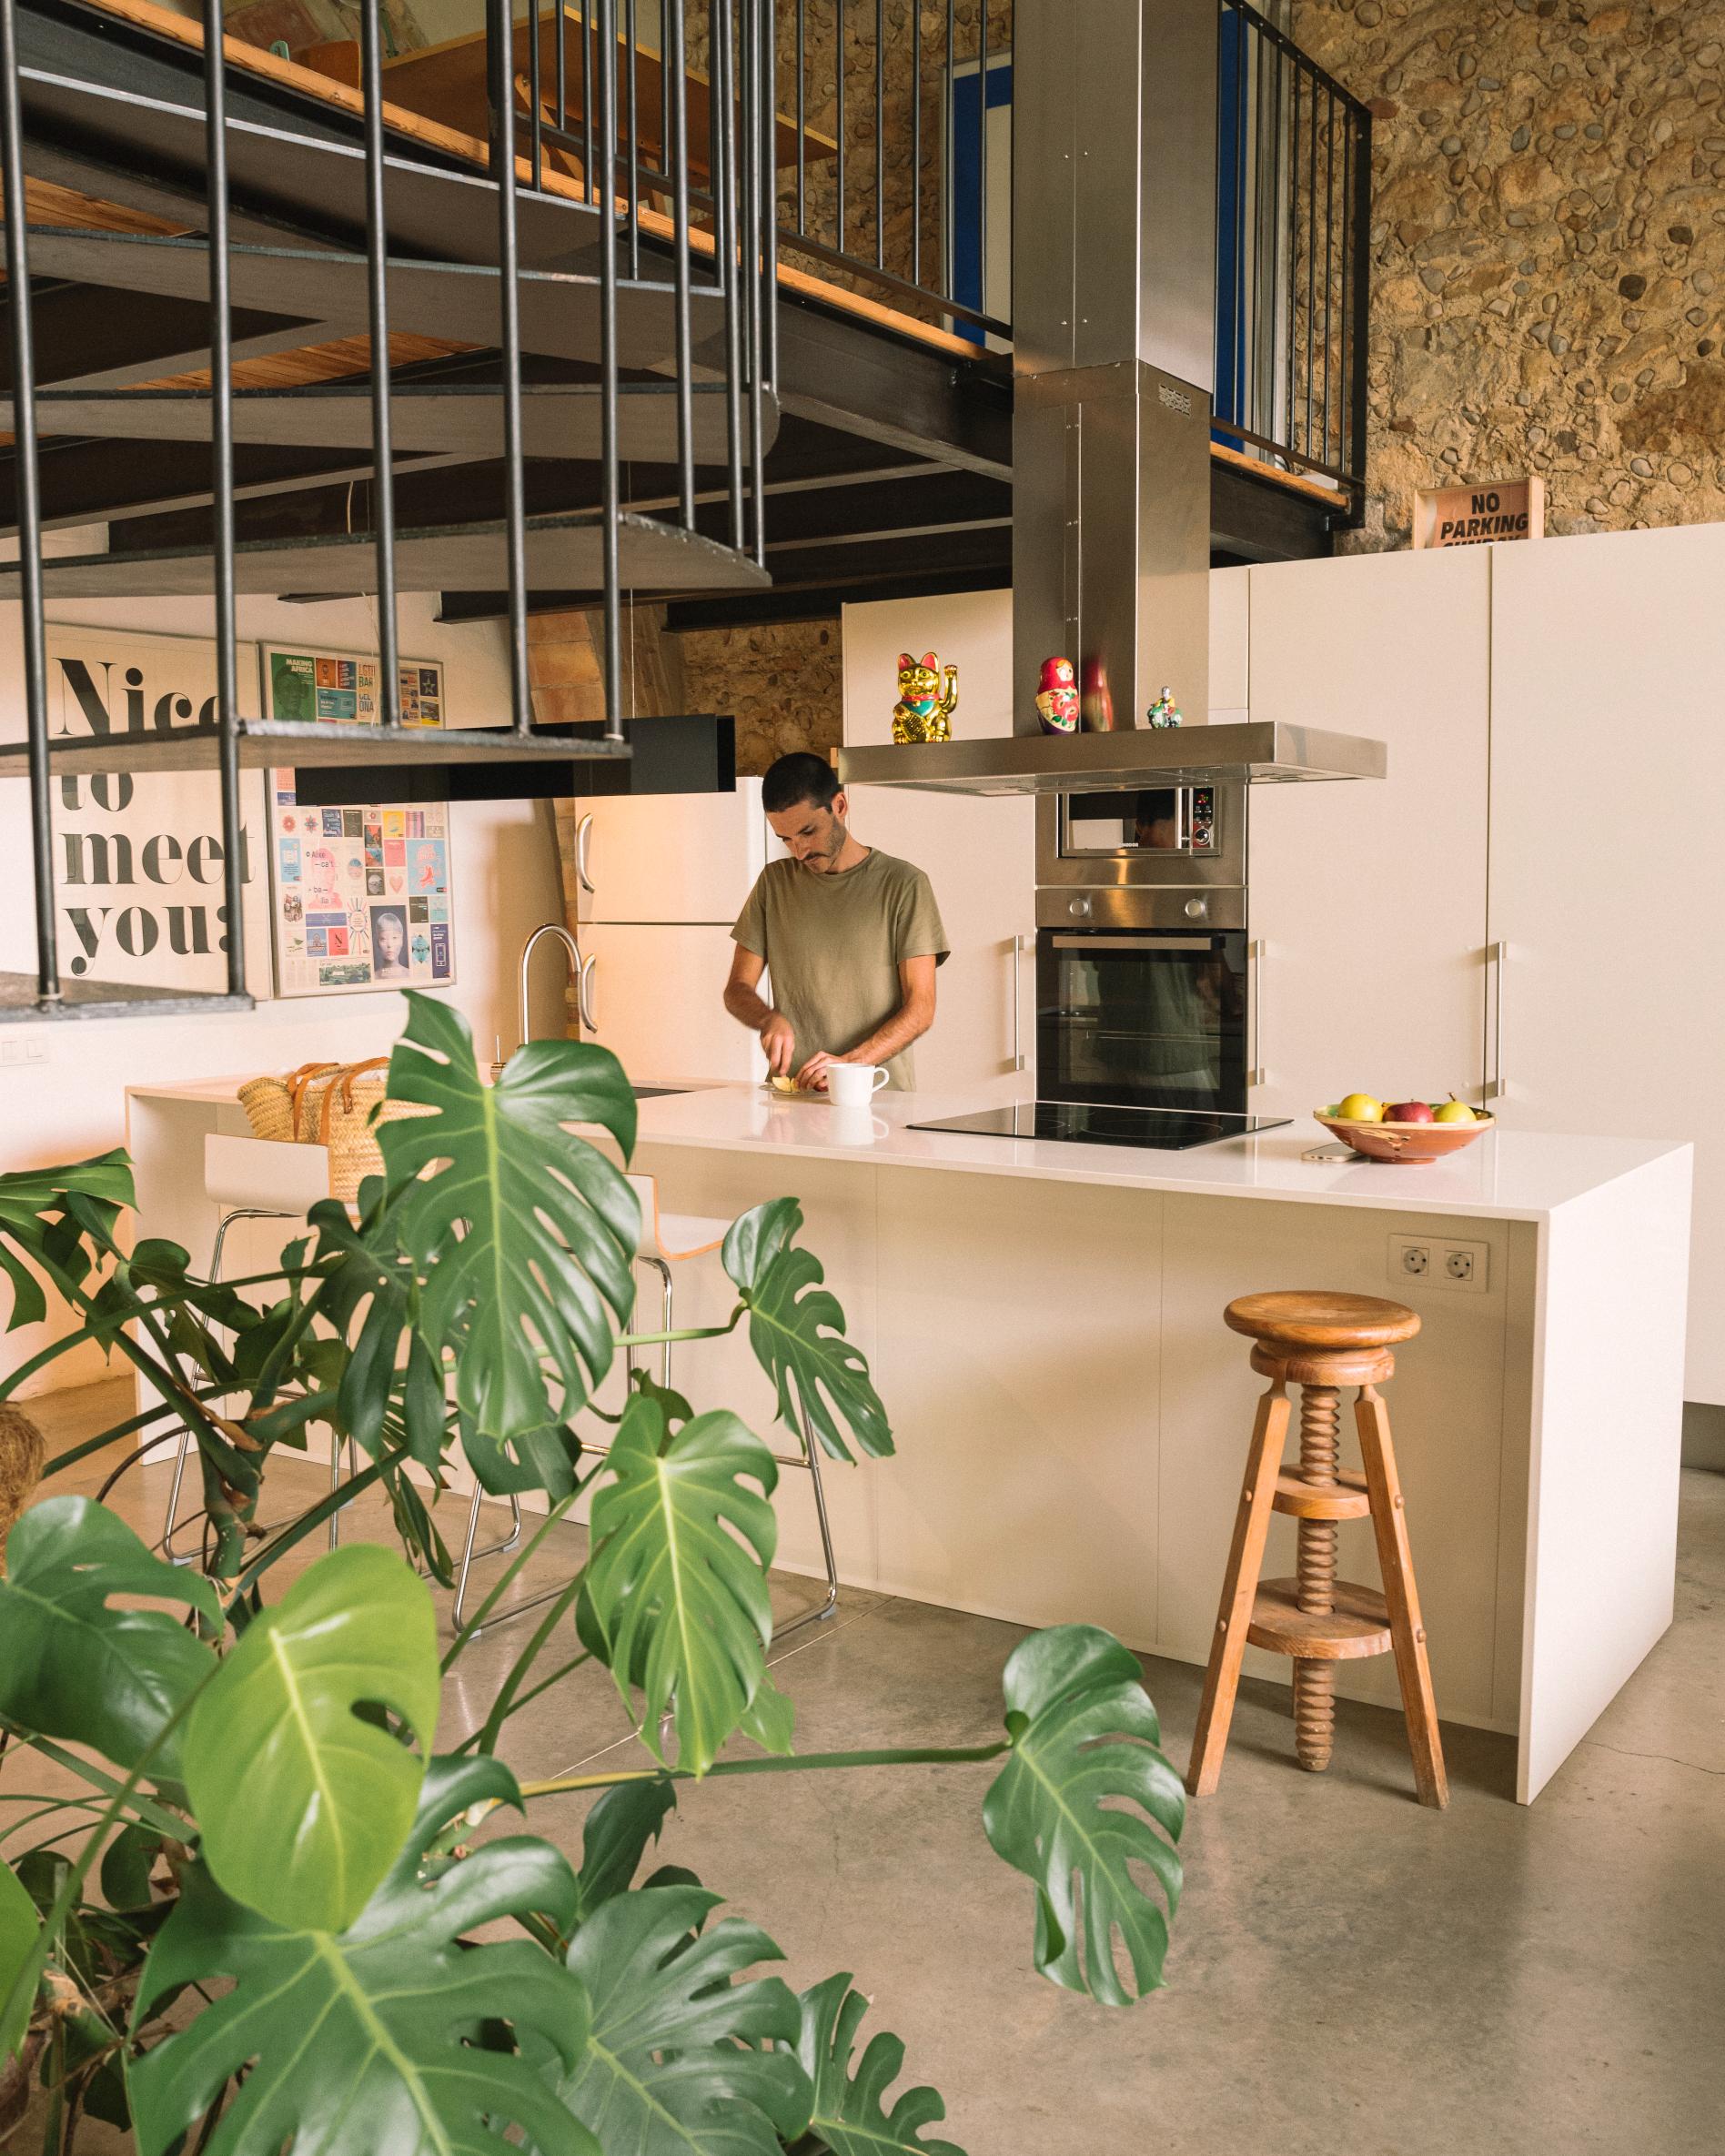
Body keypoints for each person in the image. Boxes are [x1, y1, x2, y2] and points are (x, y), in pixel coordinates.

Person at [724, 751, 947, 1091]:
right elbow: (736, 989)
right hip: (792, 1097)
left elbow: (921, 1008)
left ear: (840, 806)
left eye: (808, 832)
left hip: (876, 1097)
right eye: (786, 839)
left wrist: (848, 1066)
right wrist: (767, 1019)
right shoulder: (773, 883)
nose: (799, 851)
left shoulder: (905, 884)